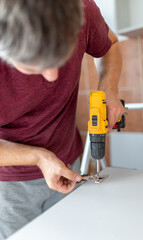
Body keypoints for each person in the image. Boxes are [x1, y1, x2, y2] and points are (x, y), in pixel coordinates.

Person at [0, 0, 125, 239]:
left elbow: (111, 46)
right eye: (35, 65)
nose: (52, 76)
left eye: (61, 57)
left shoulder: (83, 9)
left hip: (69, 162)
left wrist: (108, 88)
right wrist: (38, 156)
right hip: (8, 184)